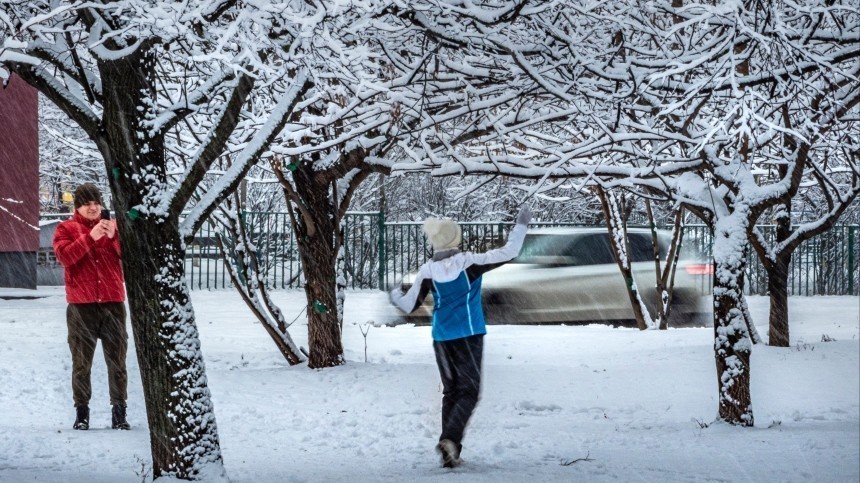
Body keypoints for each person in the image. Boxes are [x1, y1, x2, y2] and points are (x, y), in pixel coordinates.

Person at [390, 206, 532, 468]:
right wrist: (521, 224)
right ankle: (451, 441)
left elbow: (409, 305)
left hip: (441, 338)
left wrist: (395, 293)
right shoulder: (469, 263)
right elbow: (510, 252)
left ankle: (449, 447)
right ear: (455, 238)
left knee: (452, 392)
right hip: (468, 335)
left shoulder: (428, 271)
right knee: (469, 391)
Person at [53, 183, 130, 431]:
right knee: (81, 363)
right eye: (87, 203)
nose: (93, 207)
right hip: (81, 307)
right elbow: (65, 257)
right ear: (78, 206)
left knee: (117, 361)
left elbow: (129, 257)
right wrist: (90, 237)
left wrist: (114, 238)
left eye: (96, 202)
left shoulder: (114, 228)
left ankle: (119, 413)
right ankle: (82, 412)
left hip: (113, 303)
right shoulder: (66, 228)